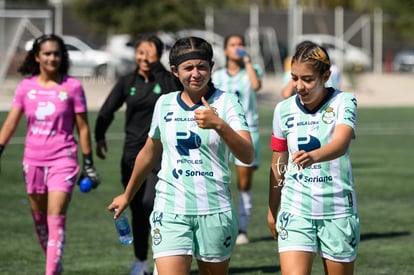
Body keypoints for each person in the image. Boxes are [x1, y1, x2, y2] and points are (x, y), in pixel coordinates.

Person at [108, 36, 254, 275]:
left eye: (202, 66)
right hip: (170, 210)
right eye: (188, 68)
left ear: (211, 67)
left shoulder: (227, 102)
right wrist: (127, 194)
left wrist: (220, 125)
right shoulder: (164, 104)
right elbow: (149, 152)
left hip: (215, 210)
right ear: (175, 71)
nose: (196, 73)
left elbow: (247, 154)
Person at [0, 34, 99, 275]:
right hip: (32, 161)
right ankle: (55, 262)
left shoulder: (72, 87)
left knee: (56, 217)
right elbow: (11, 124)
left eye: (56, 53)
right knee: (40, 220)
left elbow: (83, 127)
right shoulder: (26, 87)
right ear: (37, 57)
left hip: (63, 160)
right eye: (47, 53)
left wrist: (88, 162)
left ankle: (51, 272)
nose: (52, 57)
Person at [268, 40, 359, 275]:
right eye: (294, 78)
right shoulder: (283, 109)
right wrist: (272, 208)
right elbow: (279, 161)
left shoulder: (344, 101)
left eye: (308, 79)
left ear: (326, 76)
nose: (299, 86)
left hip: (337, 210)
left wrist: (313, 156)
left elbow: (341, 143)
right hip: (295, 210)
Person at [94, 34, 177, 275]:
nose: (143, 57)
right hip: (131, 155)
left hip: (160, 156)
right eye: (140, 52)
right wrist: (100, 136)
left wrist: (157, 66)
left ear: (159, 55)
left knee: (152, 203)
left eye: (149, 53)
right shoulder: (127, 81)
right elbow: (108, 109)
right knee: (138, 210)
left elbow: (176, 92)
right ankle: (141, 261)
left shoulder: (166, 79)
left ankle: (164, 260)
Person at [212, 34, 262, 245]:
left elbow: (256, 85)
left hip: (247, 132)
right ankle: (222, 225)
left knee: (243, 183)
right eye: (233, 45)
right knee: (218, 180)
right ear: (225, 50)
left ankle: (242, 228)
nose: (238, 48)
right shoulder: (218, 75)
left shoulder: (252, 70)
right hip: (221, 133)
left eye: (241, 44)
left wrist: (248, 62)